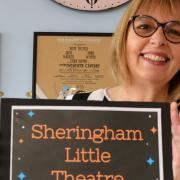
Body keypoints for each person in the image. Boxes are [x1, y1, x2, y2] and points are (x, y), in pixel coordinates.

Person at [67, 0, 180, 179]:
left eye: (174, 31)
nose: (158, 40)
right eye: (144, 26)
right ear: (124, 37)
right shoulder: (72, 108)